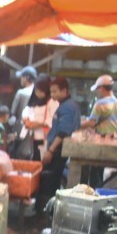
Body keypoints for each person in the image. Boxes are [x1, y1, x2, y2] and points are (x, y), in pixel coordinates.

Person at [40, 76, 81, 213]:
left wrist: (50, 151)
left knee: (50, 181)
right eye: (51, 92)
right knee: (54, 181)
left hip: (58, 150)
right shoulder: (70, 105)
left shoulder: (67, 107)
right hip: (60, 150)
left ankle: (46, 213)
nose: (52, 95)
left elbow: (63, 132)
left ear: (64, 91)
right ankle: (51, 212)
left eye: (55, 91)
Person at [18, 76, 58, 161]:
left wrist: (40, 124)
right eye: (36, 91)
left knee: (41, 160)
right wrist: (26, 119)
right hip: (32, 137)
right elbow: (27, 110)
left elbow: (54, 118)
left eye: (41, 91)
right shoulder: (34, 99)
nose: (38, 94)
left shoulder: (52, 102)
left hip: (44, 138)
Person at [9, 65, 37, 139]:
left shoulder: (21, 93)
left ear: (26, 78)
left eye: (22, 77)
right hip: (35, 129)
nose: (20, 79)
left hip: (20, 129)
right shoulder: (38, 92)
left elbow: (13, 112)